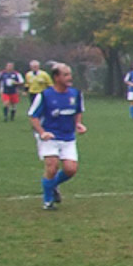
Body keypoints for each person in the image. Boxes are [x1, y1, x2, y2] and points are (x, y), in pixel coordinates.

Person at [27, 62, 87, 210]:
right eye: (65, 75)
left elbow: (78, 111)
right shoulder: (45, 95)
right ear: (56, 77)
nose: (69, 77)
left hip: (68, 137)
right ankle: (48, 202)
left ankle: (52, 185)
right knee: (52, 167)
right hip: (50, 136)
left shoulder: (76, 94)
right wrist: (42, 132)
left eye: (70, 74)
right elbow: (33, 116)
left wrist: (78, 124)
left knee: (70, 169)